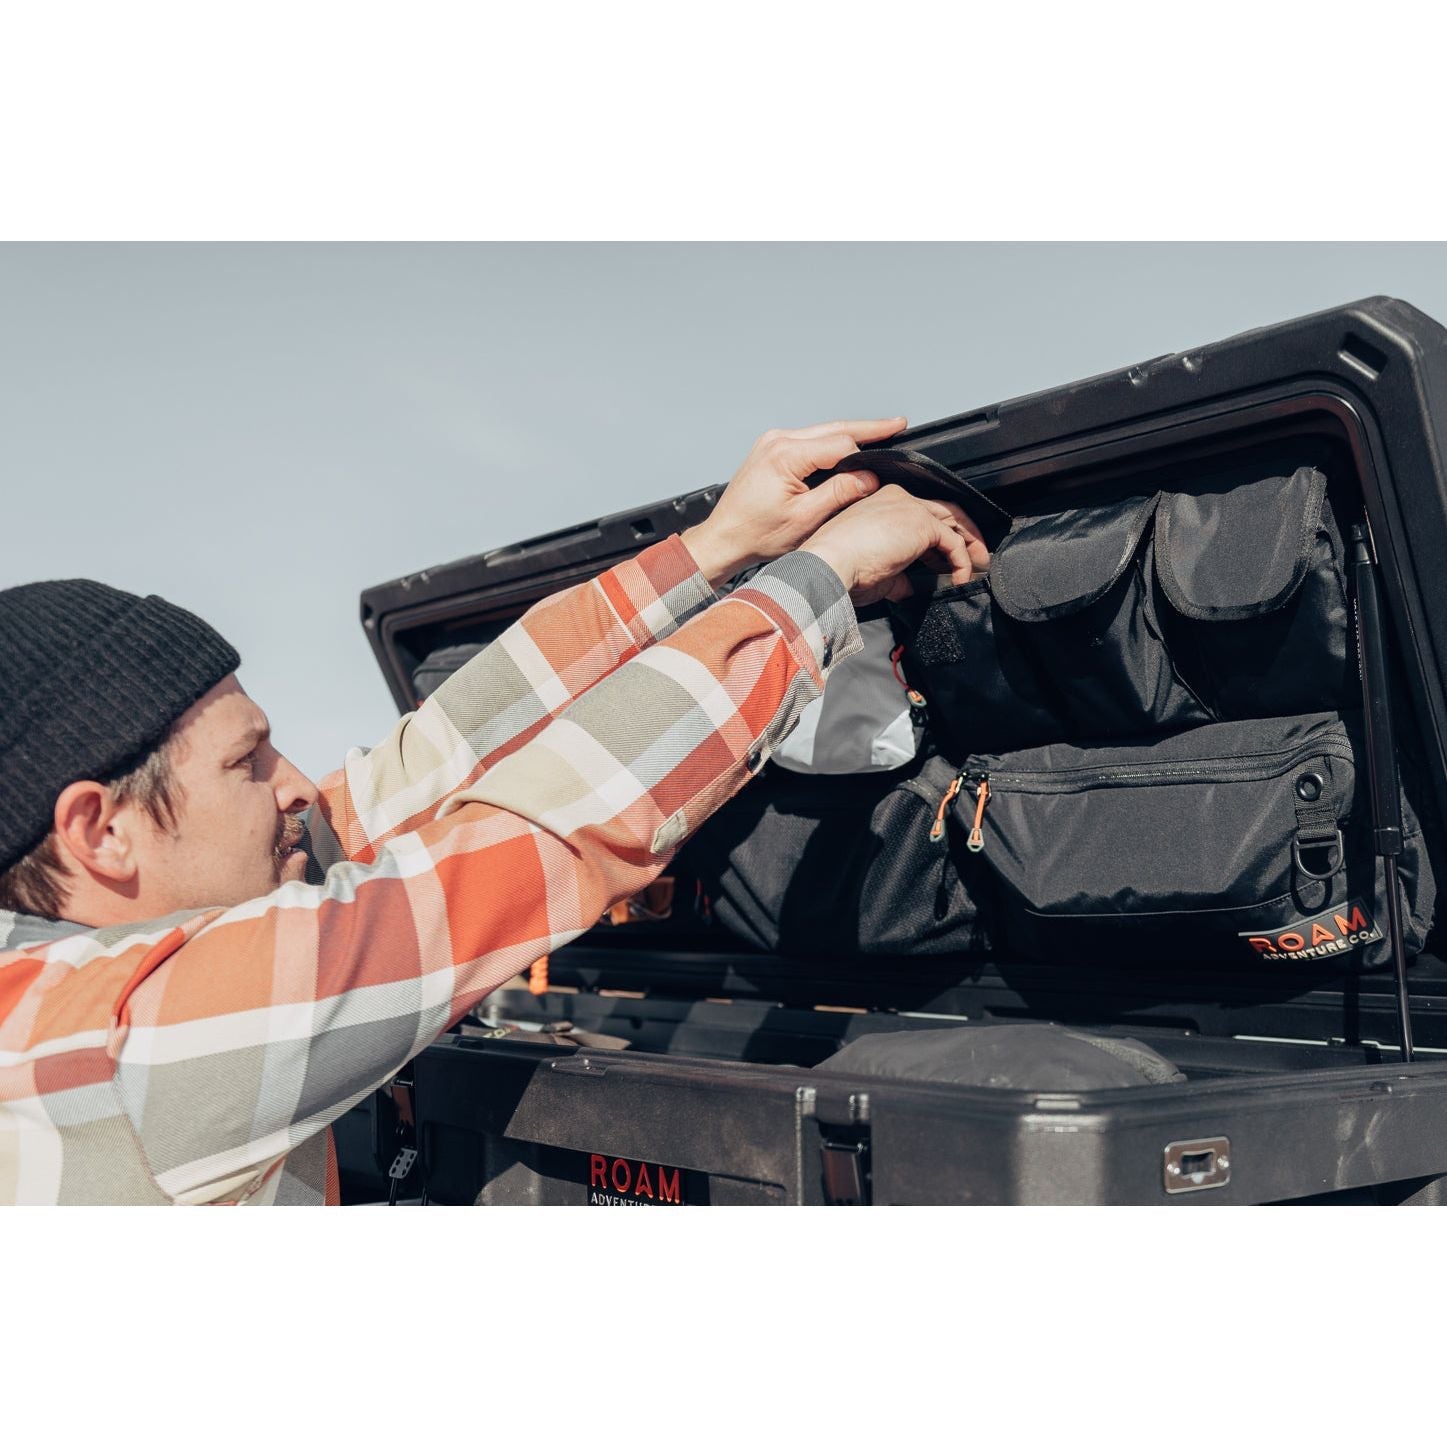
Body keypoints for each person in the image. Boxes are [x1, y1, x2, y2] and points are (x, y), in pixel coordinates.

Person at [0, 418, 988, 1204]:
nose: (298, 784)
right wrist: (820, 578)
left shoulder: (49, 969)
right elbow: (540, 829)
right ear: (101, 830)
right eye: (246, 763)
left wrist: (714, 550)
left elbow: (426, 764)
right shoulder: (129, 1048)